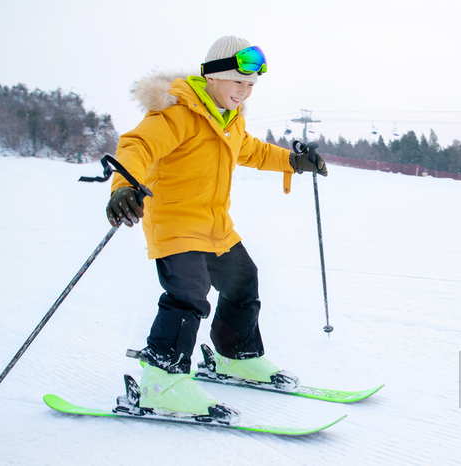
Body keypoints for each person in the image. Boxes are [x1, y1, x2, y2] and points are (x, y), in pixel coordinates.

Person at [106, 35, 327, 420]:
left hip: (215, 226)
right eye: (238, 82)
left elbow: (254, 151)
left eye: (251, 85)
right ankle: (161, 380)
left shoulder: (230, 121)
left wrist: (294, 161)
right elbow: (137, 146)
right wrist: (124, 185)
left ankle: (234, 356)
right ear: (211, 77)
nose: (244, 92)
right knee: (188, 292)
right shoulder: (177, 113)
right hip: (175, 223)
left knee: (243, 280)